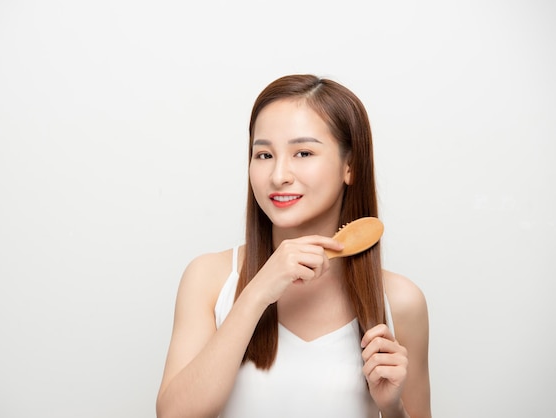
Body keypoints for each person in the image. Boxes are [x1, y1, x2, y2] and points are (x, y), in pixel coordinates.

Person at [156, 74, 431, 417]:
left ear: (351, 165)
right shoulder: (210, 279)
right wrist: (257, 292)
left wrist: (392, 407)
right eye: (264, 154)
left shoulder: (399, 300)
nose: (278, 175)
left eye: (303, 152)